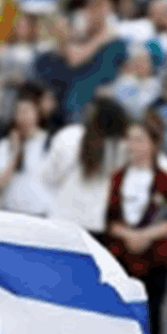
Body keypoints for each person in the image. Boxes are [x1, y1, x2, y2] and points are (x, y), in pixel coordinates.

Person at [102, 119, 167, 334]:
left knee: (152, 313)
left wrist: (146, 235)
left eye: (139, 140)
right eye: (130, 139)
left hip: (154, 258)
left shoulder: (164, 179)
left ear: (152, 145)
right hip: (122, 255)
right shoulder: (117, 177)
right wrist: (127, 234)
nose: (133, 145)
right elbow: (109, 217)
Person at [41, 99, 128, 234]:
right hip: (94, 223)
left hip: (62, 218)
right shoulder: (122, 148)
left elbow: (48, 176)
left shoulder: (69, 136)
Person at [0, 89, 54, 217]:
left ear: (37, 114)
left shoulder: (48, 143)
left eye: (27, 111)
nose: (22, 116)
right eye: (18, 112)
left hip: (39, 213)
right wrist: (16, 152)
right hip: (9, 210)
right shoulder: (5, 144)